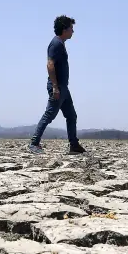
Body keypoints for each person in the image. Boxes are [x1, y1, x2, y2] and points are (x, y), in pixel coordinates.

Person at [28, 15, 86, 154]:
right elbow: (50, 64)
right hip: (58, 87)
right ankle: (34, 144)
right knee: (49, 115)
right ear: (64, 29)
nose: (73, 31)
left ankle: (74, 145)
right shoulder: (56, 43)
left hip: (63, 87)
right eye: (71, 28)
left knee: (71, 115)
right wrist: (55, 87)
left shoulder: (61, 43)